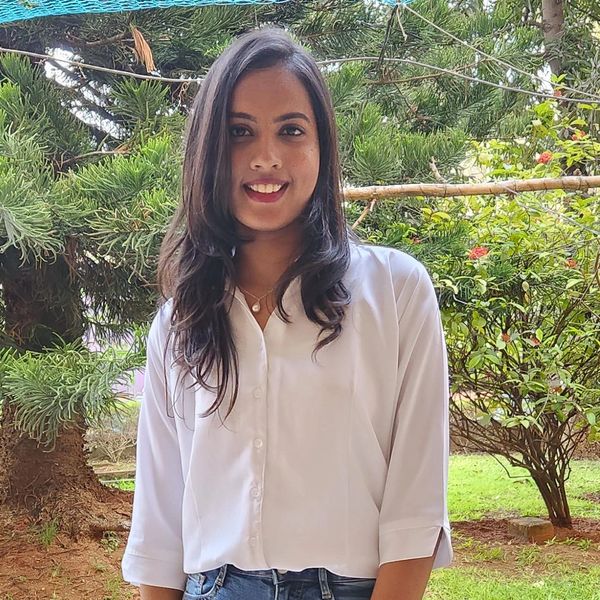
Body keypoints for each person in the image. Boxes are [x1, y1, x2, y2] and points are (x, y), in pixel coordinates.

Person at [121, 26, 453, 600]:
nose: (266, 157)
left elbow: (415, 511)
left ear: (322, 147)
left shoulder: (395, 293)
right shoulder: (179, 321)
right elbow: (159, 525)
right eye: (239, 132)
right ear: (208, 151)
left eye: (291, 131)